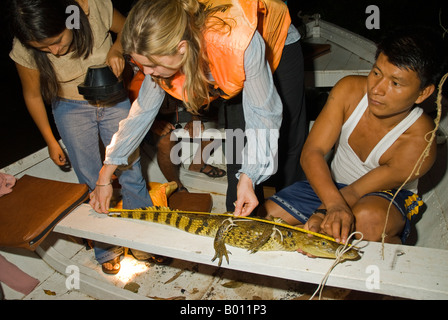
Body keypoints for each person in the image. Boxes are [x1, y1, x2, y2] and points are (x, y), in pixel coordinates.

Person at [89, 0, 304, 217]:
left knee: (288, 142)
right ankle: (237, 216)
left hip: (276, 41)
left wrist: (250, 175)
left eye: (152, 66)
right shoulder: (160, 49)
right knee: (238, 142)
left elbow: (264, 114)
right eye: (141, 65)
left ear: (181, 48)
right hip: (217, 55)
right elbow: (141, 112)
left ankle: (293, 213)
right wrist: (106, 174)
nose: (146, 72)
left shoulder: (237, 42)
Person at [258, 26, 445, 247]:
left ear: (423, 93)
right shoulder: (348, 90)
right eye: (376, 73)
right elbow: (312, 153)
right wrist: (329, 207)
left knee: (365, 220)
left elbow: (357, 190)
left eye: (395, 83)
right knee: (261, 219)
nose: (377, 89)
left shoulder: (420, 140)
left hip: (385, 196)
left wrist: (324, 212)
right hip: (332, 187)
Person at [9, 0, 153, 273]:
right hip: (69, 108)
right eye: (43, 48)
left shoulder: (94, 8)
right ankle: (106, 248)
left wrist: (116, 48)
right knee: (89, 179)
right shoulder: (24, 45)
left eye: (57, 40)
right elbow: (32, 95)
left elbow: (130, 28)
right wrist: (51, 141)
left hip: (112, 99)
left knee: (130, 171)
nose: (54, 51)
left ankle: (143, 240)